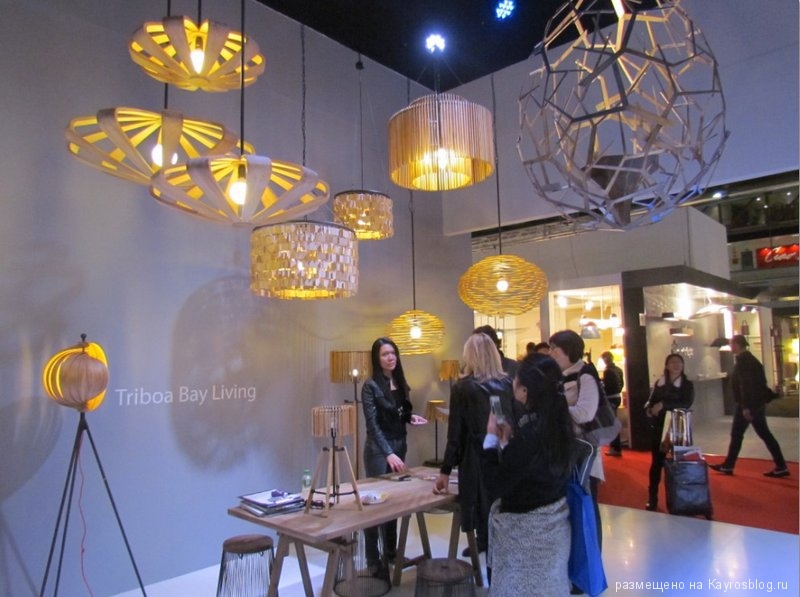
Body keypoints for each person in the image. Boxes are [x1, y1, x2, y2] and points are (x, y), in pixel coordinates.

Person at [480, 353, 575, 596]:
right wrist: (509, 444)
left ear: (524, 390)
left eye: (515, 379)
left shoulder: (530, 437)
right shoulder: (560, 428)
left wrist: (491, 439)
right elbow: (532, 472)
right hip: (554, 531)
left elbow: (494, 484)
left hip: (524, 538)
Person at [433, 333, 514, 557]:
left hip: (475, 456)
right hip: (504, 452)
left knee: (481, 506)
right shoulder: (508, 384)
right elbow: (508, 419)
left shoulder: (463, 388)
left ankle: (484, 547)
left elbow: (455, 433)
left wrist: (445, 471)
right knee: (500, 505)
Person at [361, 337, 427, 572]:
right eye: (384, 354)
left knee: (394, 502)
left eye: (392, 353)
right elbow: (372, 425)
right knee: (375, 504)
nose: (390, 358)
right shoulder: (370, 386)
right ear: (376, 358)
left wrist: (410, 417)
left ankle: (391, 553)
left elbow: (399, 413)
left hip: (399, 445)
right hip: (379, 451)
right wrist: (387, 452)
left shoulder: (400, 382)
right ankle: (372, 559)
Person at [548, 329, 604, 548]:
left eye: (555, 349)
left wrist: (554, 407)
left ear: (568, 350)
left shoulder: (585, 375)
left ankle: (591, 560)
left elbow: (585, 413)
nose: (551, 353)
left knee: (586, 506)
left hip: (584, 452)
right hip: (565, 450)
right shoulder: (559, 377)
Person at [709, 335, 789, 478]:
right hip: (753, 404)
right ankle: (729, 464)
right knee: (756, 434)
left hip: (748, 405)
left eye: (731, 344)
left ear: (737, 344)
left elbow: (746, 386)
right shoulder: (749, 360)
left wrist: (746, 407)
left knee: (745, 434)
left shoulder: (744, 362)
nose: (730, 346)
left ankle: (729, 465)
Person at [643, 353, 694, 511]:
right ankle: (652, 497)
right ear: (667, 365)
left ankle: (684, 498)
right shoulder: (660, 383)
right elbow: (650, 401)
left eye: (679, 362)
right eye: (673, 362)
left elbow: (686, 403)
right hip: (660, 428)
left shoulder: (687, 384)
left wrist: (664, 404)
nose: (676, 365)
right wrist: (649, 409)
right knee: (657, 463)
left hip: (679, 427)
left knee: (681, 463)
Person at [600, 351, 625, 457]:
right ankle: (615, 447)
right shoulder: (618, 369)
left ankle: (615, 448)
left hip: (610, 398)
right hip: (617, 397)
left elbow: (608, 387)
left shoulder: (608, 371)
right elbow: (621, 384)